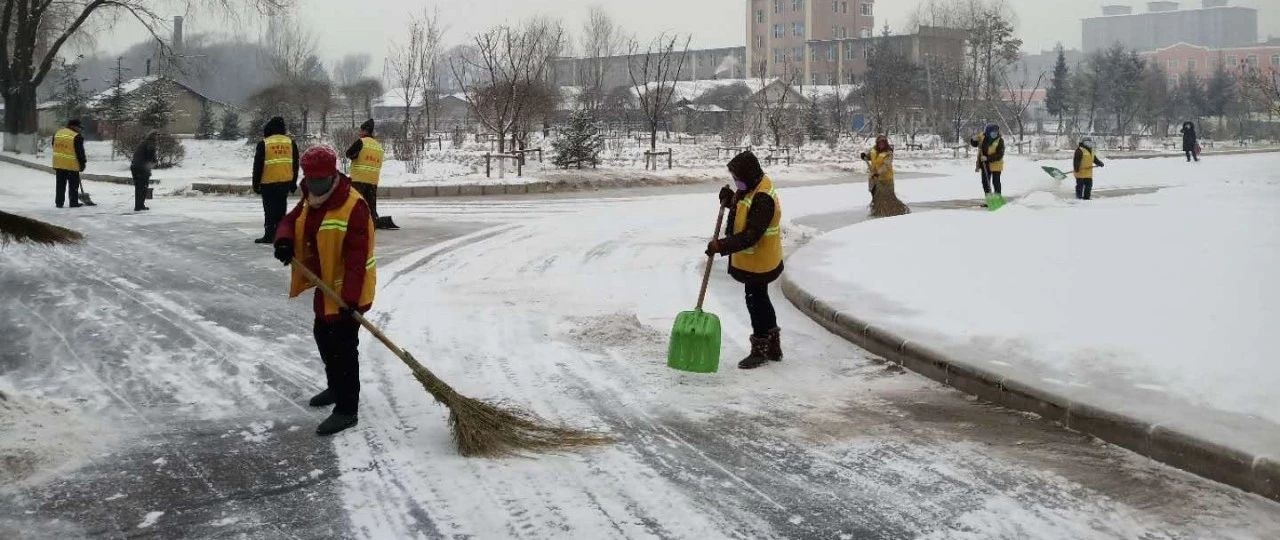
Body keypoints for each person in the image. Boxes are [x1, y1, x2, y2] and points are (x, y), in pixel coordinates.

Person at [272, 145, 376, 436]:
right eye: (311, 179)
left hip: (349, 292)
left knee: (343, 348)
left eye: (320, 179)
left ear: (333, 175)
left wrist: (351, 301)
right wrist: (283, 240)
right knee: (323, 337)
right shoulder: (310, 196)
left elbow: (357, 260)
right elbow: (291, 221)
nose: (315, 185)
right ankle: (335, 387)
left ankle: (347, 409)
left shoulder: (353, 205)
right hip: (325, 285)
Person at [706, 151, 784, 370]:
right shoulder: (753, 186)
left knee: (756, 302)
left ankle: (761, 349)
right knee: (760, 299)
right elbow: (744, 206)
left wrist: (720, 246)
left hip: (760, 261)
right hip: (758, 261)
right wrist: (730, 199)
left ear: (748, 174)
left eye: (737, 178)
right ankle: (772, 346)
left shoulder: (763, 198)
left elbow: (751, 234)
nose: (736, 181)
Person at [252, 116, 300, 244]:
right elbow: (295, 164)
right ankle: (281, 234)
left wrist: (255, 184)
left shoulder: (264, 143)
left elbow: (258, 166)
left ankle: (269, 235)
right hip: (285, 181)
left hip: (268, 182)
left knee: (269, 210)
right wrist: (293, 182)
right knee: (281, 209)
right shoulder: (291, 143)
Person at [345, 119, 385, 226]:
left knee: (356, 204)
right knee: (370, 205)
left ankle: (355, 225)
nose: (360, 133)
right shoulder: (378, 146)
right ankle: (371, 225)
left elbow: (348, 153)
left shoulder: (361, 142)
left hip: (359, 179)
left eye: (361, 130)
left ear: (365, 131)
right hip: (373, 180)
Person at [861, 135, 910, 218]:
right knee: (875, 196)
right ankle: (877, 210)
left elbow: (886, 166)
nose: (881, 144)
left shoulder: (888, 153)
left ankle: (890, 212)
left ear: (886, 143)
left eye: (883, 142)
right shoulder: (873, 150)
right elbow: (870, 156)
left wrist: (878, 173)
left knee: (887, 198)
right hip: (874, 179)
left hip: (886, 180)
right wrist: (865, 156)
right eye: (880, 142)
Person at [51, 119, 87, 208]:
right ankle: (73, 202)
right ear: (74, 126)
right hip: (71, 165)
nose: (80, 129)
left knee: (60, 185)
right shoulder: (76, 136)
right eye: (79, 127)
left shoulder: (58, 133)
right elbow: (80, 152)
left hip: (58, 163)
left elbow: (53, 145)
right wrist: (82, 164)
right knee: (73, 185)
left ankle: (59, 203)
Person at [968, 124, 1005, 199]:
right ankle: (989, 199)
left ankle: (998, 198)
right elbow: (975, 144)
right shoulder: (982, 137)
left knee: (996, 182)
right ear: (988, 132)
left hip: (996, 164)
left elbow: (999, 155)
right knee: (985, 182)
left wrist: (987, 158)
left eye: (996, 132)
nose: (995, 134)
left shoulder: (1000, 140)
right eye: (993, 132)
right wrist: (973, 140)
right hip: (984, 164)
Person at [130, 132, 158, 211]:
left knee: (139, 187)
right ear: (153, 137)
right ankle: (139, 206)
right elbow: (150, 156)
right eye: (156, 136)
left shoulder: (143, 143)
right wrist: (154, 162)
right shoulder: (150, 144)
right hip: (141, 168)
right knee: (143, 186)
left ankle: (139, 205)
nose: (157, 138)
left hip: (135, 167)